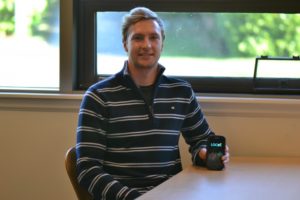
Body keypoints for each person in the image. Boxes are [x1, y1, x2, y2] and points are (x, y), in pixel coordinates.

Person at [76, 7, 229, 200]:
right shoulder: (98, 96)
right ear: (125, 44)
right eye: (138, 38)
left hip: (173, 194)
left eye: (154, 37)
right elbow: (87, 170)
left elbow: (202, 139)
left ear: (162, 44)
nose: (146, 45)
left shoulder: (180, 91)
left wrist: (206, 154)